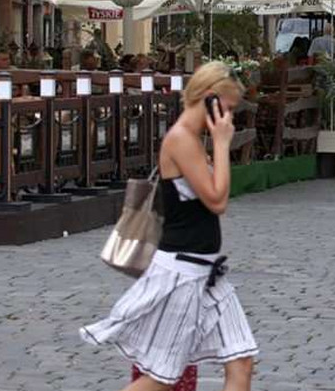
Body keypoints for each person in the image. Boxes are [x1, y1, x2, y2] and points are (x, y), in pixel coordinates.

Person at [81, 62, 257, 391]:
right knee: (161, 379)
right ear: (210, 99)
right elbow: (218, 201)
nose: (229, 119)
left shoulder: (193, 138)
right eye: (228, 109)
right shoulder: (181, 140)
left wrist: (216, 143)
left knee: (241, 361)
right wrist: (221, 144)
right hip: (181, 275)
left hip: (206, 274)